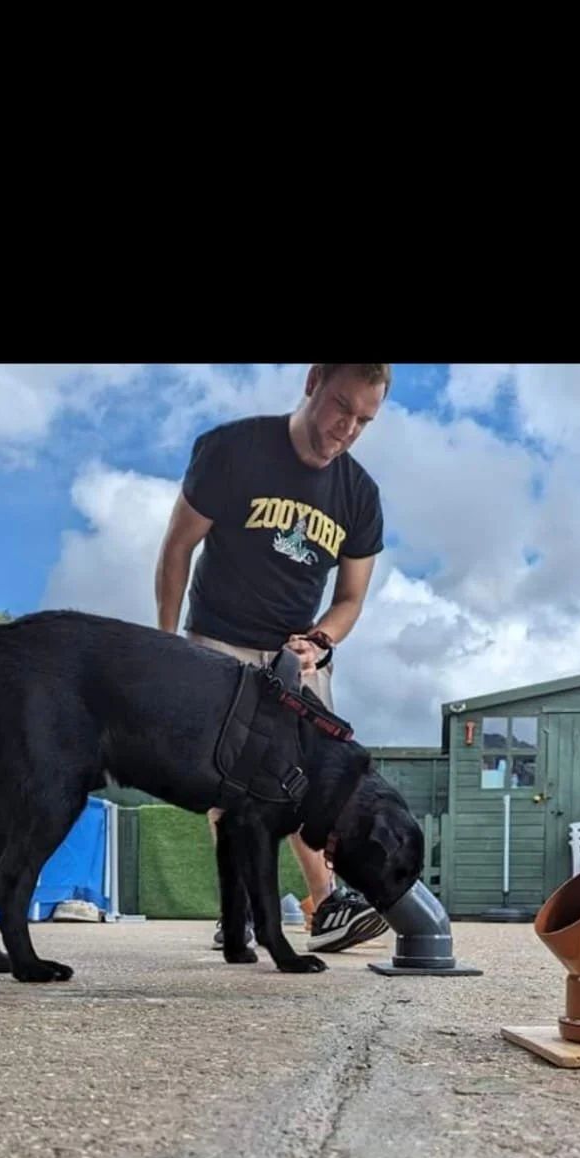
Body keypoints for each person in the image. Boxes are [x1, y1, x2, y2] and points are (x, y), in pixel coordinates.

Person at [154, 362, 392, 953]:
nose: (348, 428)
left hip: (299, 651)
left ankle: (329, 903)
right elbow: (178, 547)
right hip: (219, 636)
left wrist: (320, 642)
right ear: (312, 383)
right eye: (342, 407)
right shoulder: (232, 450)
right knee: (230, 782)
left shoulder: (359, 495)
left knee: (311, 778)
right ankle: (239, 911)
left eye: (365, 419)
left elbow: (352, 597)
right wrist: (166, 646)